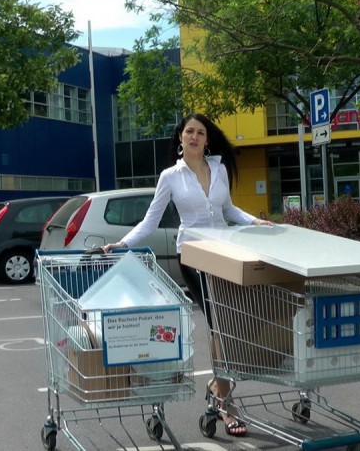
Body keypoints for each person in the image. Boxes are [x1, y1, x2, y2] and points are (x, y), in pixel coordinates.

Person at [104, 113, 273, 437]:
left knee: (233, 323)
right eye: (189, 131)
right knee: (220, 324)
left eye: (200, 132)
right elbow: (151, 220)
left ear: (207, 139)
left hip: (225, 252)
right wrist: (123, 243)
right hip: (193, 255)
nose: (194, 136)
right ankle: (225, 403)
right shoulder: (171, 176)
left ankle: (216, 386)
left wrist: (254, 222)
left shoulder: (220, 168)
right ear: (180, 138)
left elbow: (228, 211)